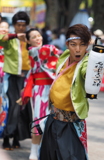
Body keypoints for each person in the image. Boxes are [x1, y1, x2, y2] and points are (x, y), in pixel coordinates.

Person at [39, 24, 93, 160]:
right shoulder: (64, 56)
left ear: (88, 45)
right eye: (73, 44)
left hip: (71, 123)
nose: (78, 49)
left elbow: (88, 73)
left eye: (82, 44)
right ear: (67, 44)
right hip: (53, 118)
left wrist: (94, 72)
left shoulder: (88, 61)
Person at [20, 28, 59, 160]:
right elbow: (49, 50)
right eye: (34, 37)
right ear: (28, 41)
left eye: (39, 36)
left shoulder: (48, 50)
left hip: (54, 88)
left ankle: (45, 150)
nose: (37, 38)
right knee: (39, 119)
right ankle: (34, 150)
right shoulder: (33, 51)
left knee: (52, 120)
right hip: (40, 89)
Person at [0, 11, 32, 150]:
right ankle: (6, 137)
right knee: (12, 107)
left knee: (23, 109)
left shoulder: (29, 39)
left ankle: (17, 138)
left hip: (26, 78)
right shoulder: (10, 39)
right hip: (11, 77)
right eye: (18, 25)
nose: (21, 28)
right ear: (14, 25)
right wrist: (15, 36)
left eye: (23, 25)